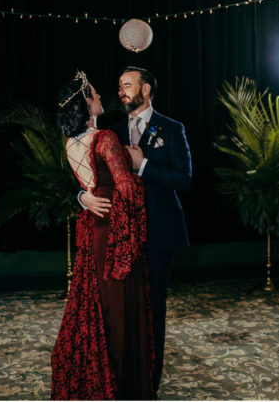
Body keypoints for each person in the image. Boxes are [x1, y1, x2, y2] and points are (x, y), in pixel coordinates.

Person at [80, 66, 192, 394]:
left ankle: (148, 386)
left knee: (153, 310)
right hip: (118, 237)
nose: (121, 91)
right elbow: (90, 177)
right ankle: (122, 378)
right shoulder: (110, 130)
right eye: (118, 86)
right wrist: (82, 197)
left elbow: (184, 180)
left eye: (127, 85)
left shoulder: (172, 129)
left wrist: (142, 165)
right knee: (122, 312)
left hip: (158, 236)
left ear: (146, 90)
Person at [51, 70, 154, 400]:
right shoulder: (105, 138)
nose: (99, 98)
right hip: (113, 230)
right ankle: (121, 385)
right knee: (118, 307)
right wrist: (137, 167)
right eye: (93, 94)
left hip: (93, 230)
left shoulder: (70, 143)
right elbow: (127, 187)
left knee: (96, 304)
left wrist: (83, 198)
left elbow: (86, 186)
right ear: (85, 103)